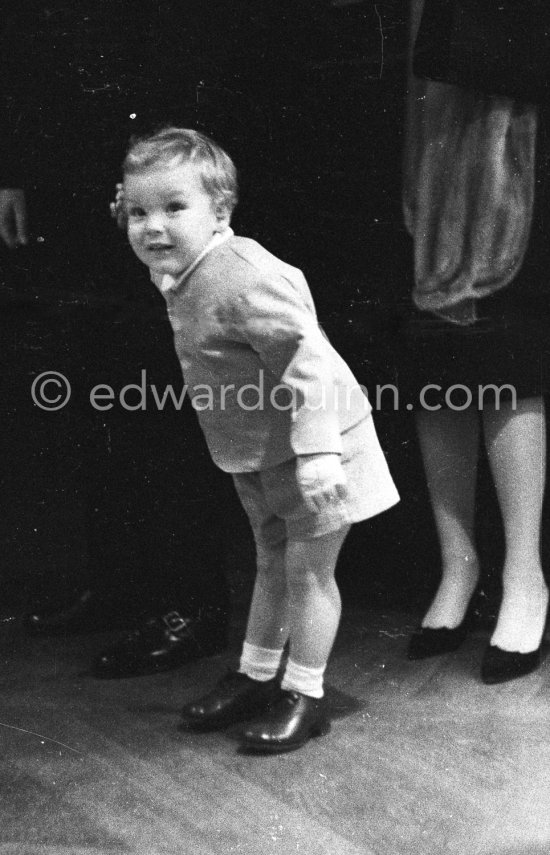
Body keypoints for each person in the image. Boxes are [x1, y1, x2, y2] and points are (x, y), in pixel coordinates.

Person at [115, 126, 399, 752]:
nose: (152, 226)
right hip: (261, 451)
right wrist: (149, 217)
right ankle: (255, 675)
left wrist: (321, 454)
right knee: (269, 563)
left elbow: (310, 362)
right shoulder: (183, 267)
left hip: (320, 449)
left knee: (307, 572)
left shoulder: (246, 274)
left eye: (173, 207)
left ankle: (306, 691)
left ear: (221, 211)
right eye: (137, 212)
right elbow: (167, 257)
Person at [0, 0, 252, 676]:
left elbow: (191, 49)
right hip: (71, 174)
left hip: (158, 184)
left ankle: (189, 605)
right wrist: (16, 168)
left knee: (157, 397)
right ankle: (120, 586)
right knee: (94, 393)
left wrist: (165, 190)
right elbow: (29, 42)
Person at [402, 0, 550, 683]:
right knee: (433, 349)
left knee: (504, 344)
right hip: (430, 106)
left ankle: (525, 577)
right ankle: (456, 566)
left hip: (518, 101)